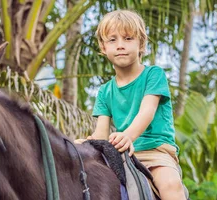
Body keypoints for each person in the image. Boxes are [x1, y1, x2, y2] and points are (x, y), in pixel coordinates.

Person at [75, 10, 188, 200]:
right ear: (103, 47)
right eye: (112, 40)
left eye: (128, 39)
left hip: (155, 151)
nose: (120, 46)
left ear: (141, 44)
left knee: (171, 184)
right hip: (122, 155)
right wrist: (85, 144)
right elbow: (102, 134)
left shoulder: (153, 75)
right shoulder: (105, 91)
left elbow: (147, 111)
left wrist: (128, 136)